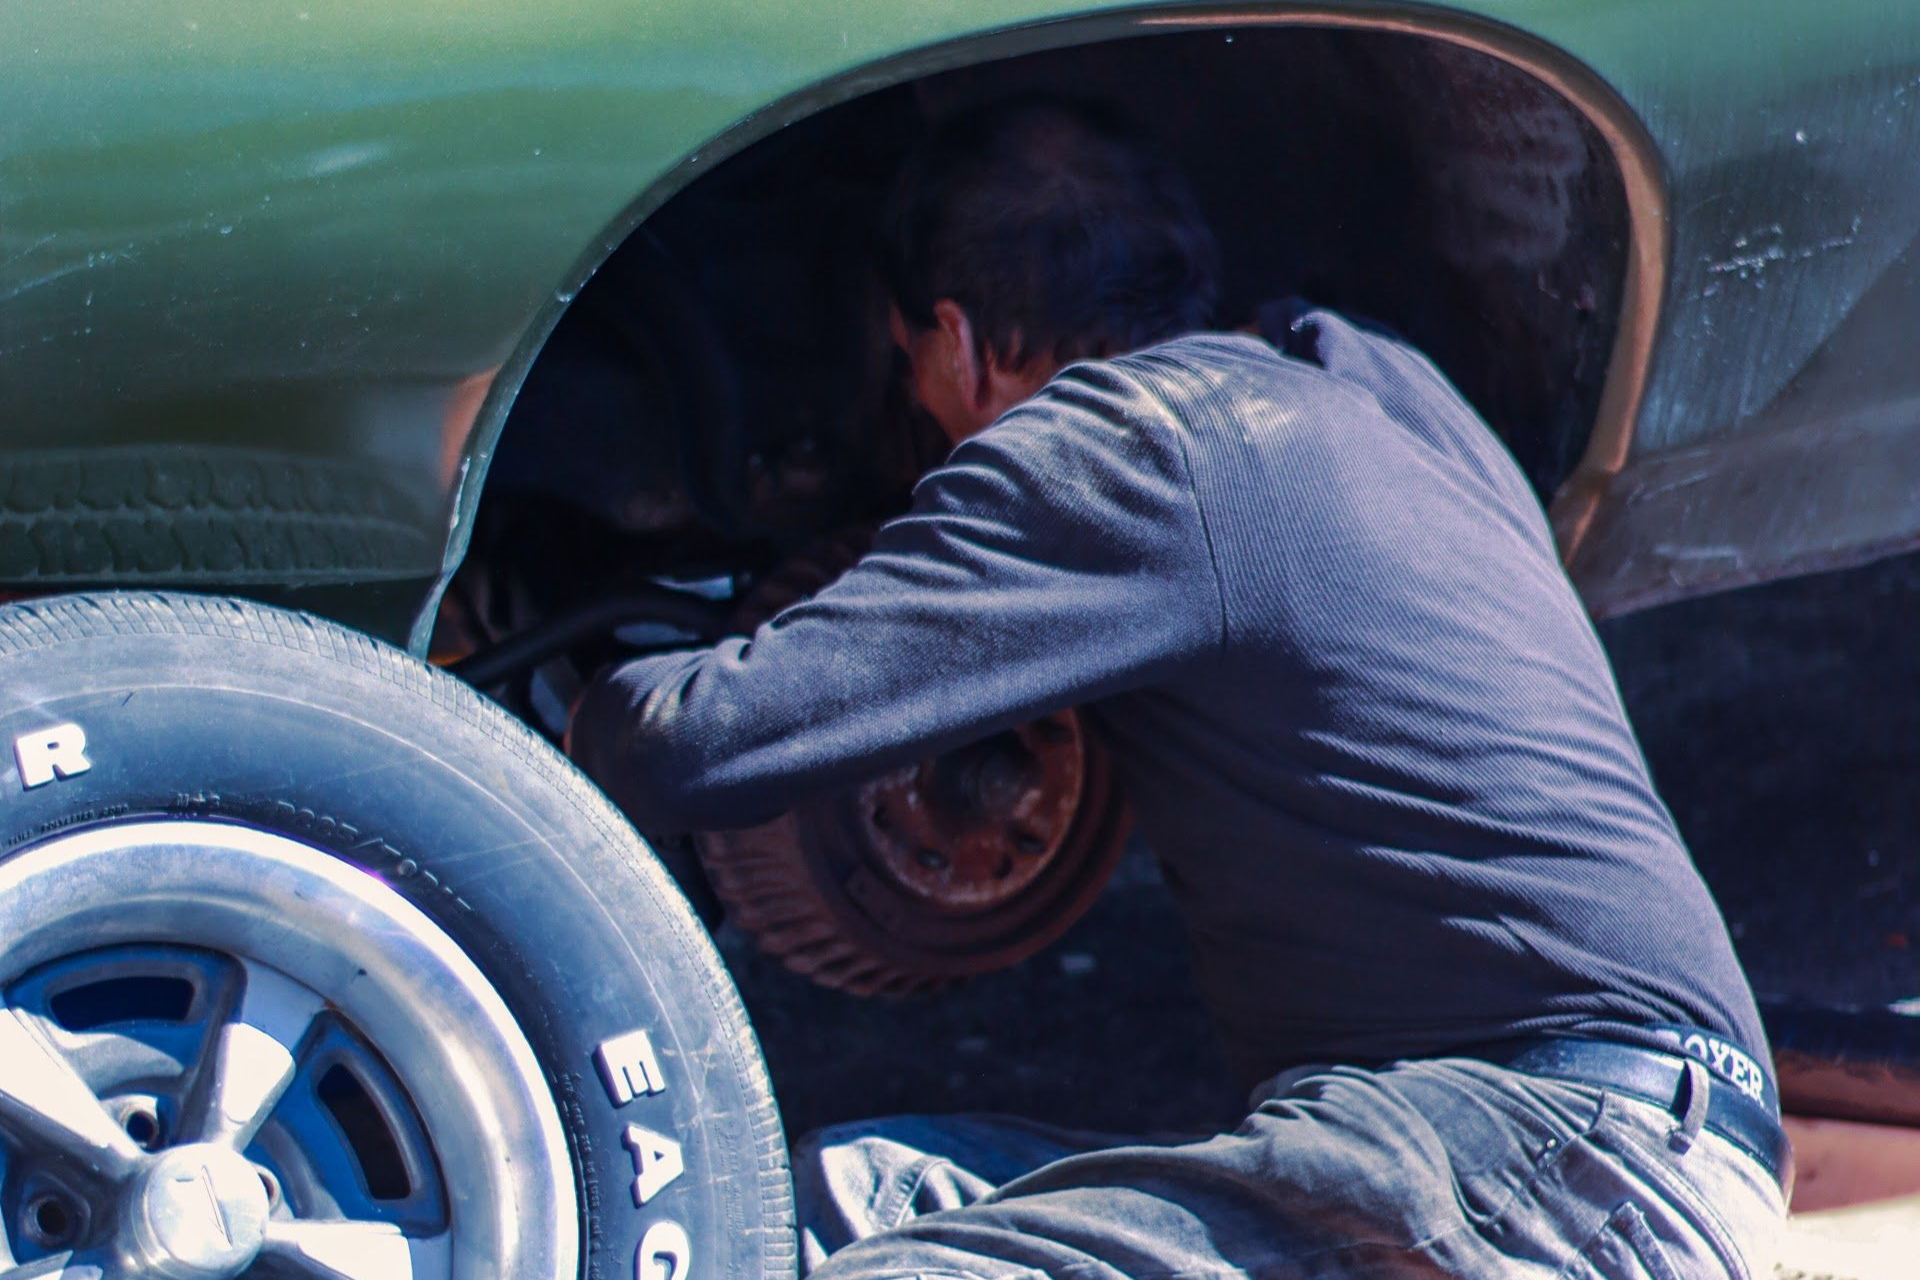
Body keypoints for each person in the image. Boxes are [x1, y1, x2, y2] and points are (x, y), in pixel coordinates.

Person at [569, 99, 1789, 1279]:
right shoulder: (1374, 385)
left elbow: (692, 745)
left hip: (1556, 1173)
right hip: (1612, 1144)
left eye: (912, 374)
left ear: (959, 341)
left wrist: (498, 684)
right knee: (834, 1202)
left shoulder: (1130, 445)